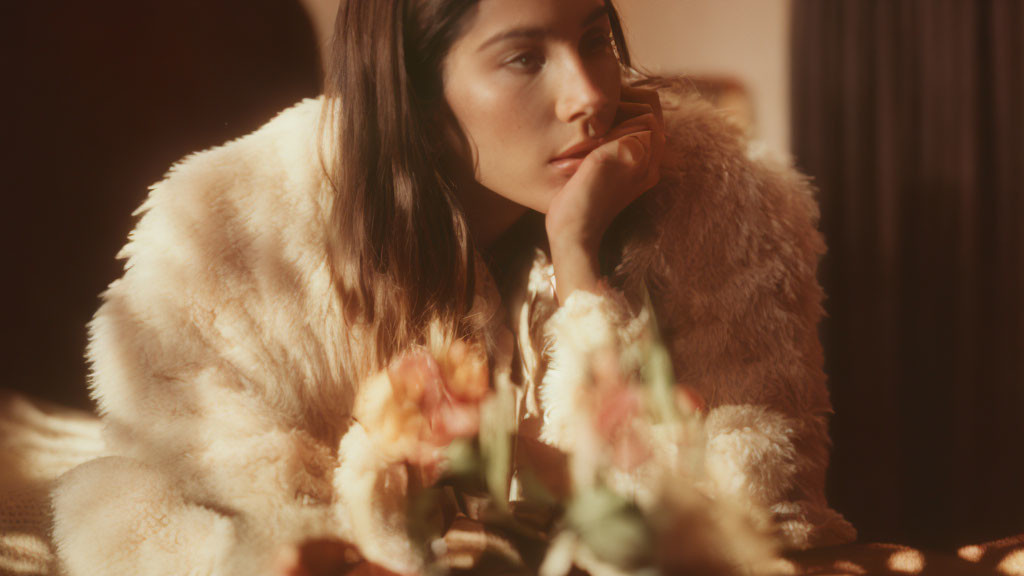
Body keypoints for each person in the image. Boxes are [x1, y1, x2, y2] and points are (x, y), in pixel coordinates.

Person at [50, 0, 856, 574]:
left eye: (595, 38)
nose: (589, 97)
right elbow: (146, 510)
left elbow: (763, 521)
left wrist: (579, 264)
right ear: (417, 89)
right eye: (524, 57)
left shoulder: (707, 196)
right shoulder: (236, 233)